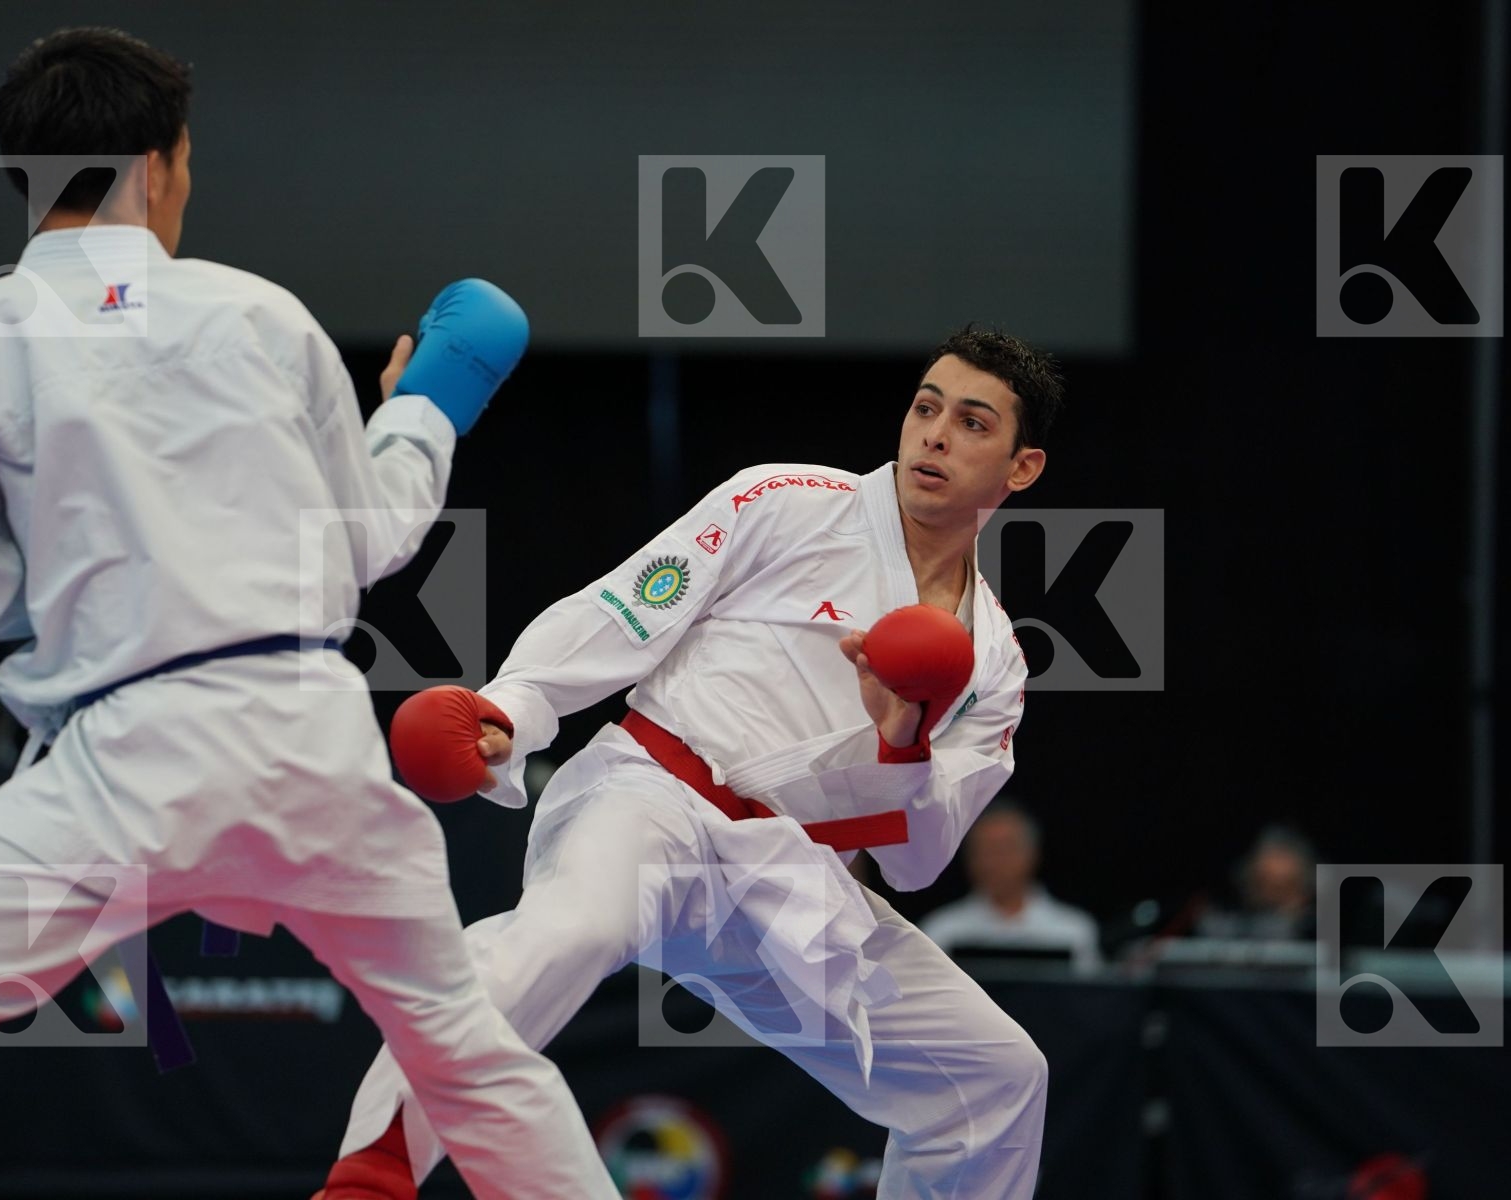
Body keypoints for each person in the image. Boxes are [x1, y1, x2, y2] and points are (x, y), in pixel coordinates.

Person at [0, 28, 617, 1200]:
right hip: (309, 735)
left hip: (123, 760)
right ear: (161, 162)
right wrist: (424, 411)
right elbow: (368, 542)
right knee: (464, 1052)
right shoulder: (261, 315)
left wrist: (66, 577)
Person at [317, 326, 1063, 1200]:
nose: (934, 434)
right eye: (926, 407)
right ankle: (376, 1168)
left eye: (973, 423)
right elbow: (629, 605)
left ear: (1022, 468)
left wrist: (903, 742)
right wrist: (513, 708)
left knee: (999, 1076)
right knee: (572, 930)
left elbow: (918, 858)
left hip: (787, 883)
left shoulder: (997, 661)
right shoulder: (788, 502)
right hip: (652, 801)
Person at [918, 801, 1102, 971]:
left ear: (1032, 854)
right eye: (984, 851)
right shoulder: (941, 931)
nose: (993, 863)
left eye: (1004, 850)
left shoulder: (1072, 931)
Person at [1194, 825, 1318, 941]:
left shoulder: (1316, 931)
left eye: (1282, 889)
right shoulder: (1220, 924)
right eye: (1263, 884)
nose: (1271, 897)